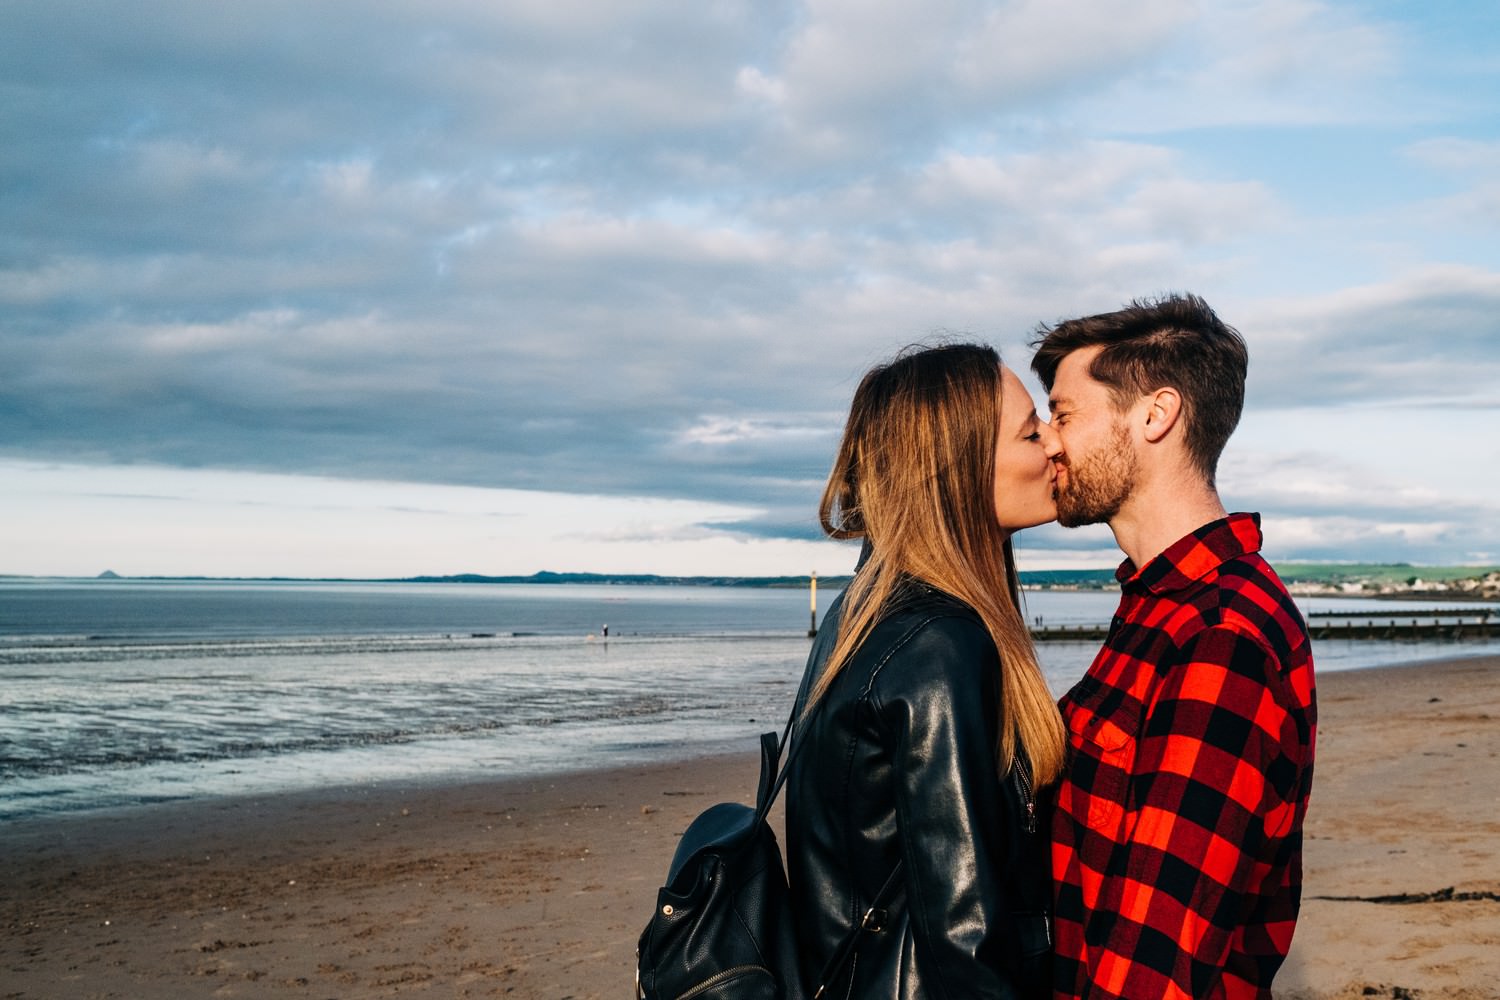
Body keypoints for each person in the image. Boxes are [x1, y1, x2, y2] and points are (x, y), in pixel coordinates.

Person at [1030, 295, 1316, 999]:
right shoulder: (1161, 608)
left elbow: (1152, 965)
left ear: (1155, 416)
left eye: (1064, 414)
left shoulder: (1221, 636)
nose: (1048, 441)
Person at [786, 343, 1068, 999]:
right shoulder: (941, 645)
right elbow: (967, 945)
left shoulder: (860, 613)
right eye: (1030, 431)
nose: (1055, 444)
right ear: (959, 468)